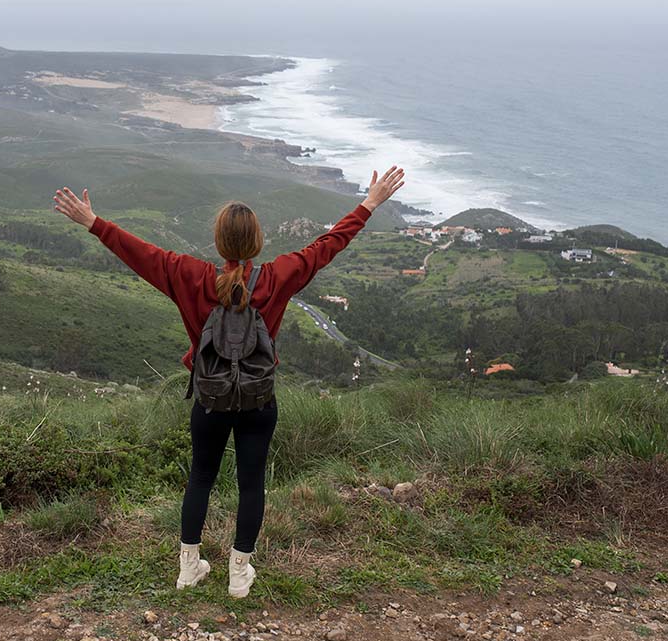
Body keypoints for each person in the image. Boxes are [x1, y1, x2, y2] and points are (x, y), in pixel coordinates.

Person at [53, 166, 405, 598]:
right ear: (256, 242)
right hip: (258, 400)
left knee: (200, 477)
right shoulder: (278, 276)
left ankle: (188, 569)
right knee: (251, 483)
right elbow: (326, 247)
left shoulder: (189, 275)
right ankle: (239, 575)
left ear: (219, 241)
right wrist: (369, 203)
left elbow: (139, 253)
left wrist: (93, 223)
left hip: (209, 400)